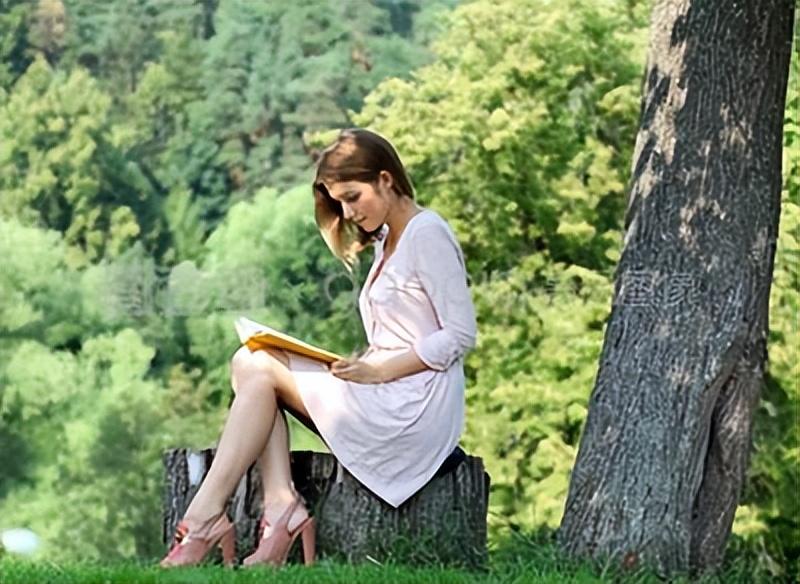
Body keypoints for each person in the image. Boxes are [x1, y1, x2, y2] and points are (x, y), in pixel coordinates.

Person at [160, 128, 478, 568]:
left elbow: (460, 335)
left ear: (386, 179)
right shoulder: (389, 239)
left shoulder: (427, 234)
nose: (348, 213)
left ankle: (209, 517)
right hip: (385, 392)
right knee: (251, 362)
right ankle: (277, 509)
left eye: (353, 197)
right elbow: (403, 333)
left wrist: (378, 372)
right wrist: (360, 366)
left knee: (256, 364)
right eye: (340, 203)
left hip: (414, 412)